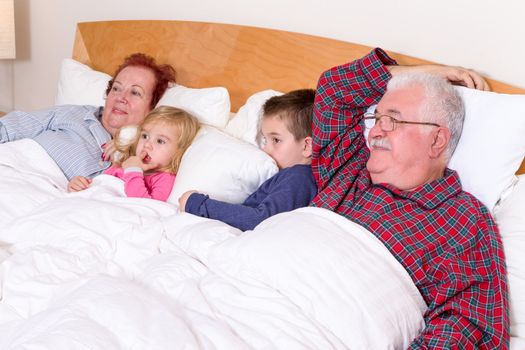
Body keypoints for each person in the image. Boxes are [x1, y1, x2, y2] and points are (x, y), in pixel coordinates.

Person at [312, 47, 508, 348]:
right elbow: (333, 90)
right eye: (376, 118)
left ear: (436, 140)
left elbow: (466, 328)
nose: (375, 130)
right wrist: (421, 71)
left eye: (392, 120)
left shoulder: (461, 219)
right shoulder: (348, 169)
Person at [0, 53, 176, 181]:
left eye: (135, 92)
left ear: (151, 108)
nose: (121, 98)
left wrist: (128, 146)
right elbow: (13, 126)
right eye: (116, 88)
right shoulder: (74, 113)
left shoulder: (147, 151)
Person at [178, 89, 317, 231]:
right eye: (265, 140)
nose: (266, 150)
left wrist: (198, 205)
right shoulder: (293, 176)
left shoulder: (299, 177)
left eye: (276, 140)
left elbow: (260, 220)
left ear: (307, 146)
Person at [68, 106, 200, 202]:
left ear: (179, 152)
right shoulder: (122, 166)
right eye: (144, 136)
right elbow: (97, 186)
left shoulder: (164, 178)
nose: (147, 144)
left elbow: (145, 205)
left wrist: (133, 171)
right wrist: (79, 184)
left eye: (160, 141)